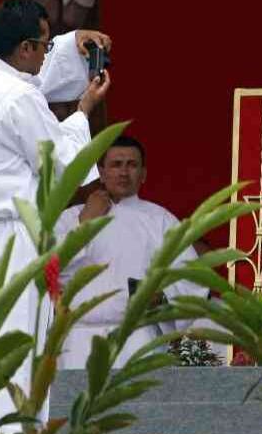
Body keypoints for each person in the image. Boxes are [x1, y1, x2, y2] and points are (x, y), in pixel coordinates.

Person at [0, 0, 111, 430]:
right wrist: (82, 113)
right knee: (18, 340)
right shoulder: (18, 99)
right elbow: (59, 168)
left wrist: (71, 42)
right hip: (14, 239)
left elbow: (31, 81)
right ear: (23, 49)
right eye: (42, 44)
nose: (44, 52)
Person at [53, 135, 209, 369]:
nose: (123, 172)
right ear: (102, 173)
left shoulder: (161, 221)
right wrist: (86, 221)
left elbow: (191, 279)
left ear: (143, 174)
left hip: (138, 339)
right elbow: (51, 269)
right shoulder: (70, 219)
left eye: (132, 165)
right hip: (77, 342)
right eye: (116, 165)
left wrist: (161, 297)